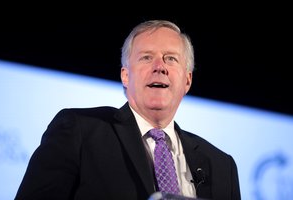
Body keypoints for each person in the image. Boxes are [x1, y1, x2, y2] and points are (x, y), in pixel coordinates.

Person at [15, 20, 241, 200]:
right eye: (146, 57)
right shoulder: (79, 130)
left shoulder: (222, 167)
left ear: (187, 80)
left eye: (170, 58)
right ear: (125, 75)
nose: (159, 67)